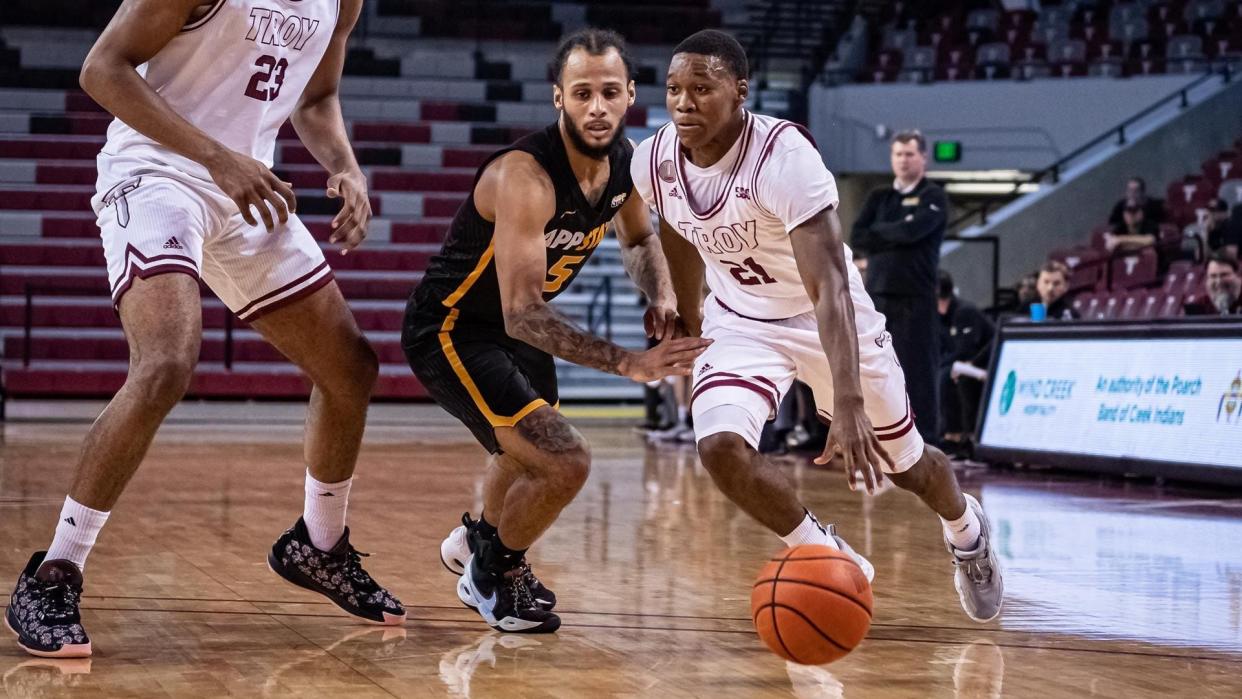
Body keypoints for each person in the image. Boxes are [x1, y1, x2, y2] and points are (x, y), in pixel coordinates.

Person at [6, 0, 406, 659]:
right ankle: (55, 570)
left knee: (351, 367)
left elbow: (317, 96)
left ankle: (319, 543)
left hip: (246, 187)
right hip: (155, 173)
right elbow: (101, 69)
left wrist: (346, 167)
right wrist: (219, 159)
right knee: (166, 362)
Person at [635, 29, 1003, 623]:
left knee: (907, 466)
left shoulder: (784, 158)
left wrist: (849, 398)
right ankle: (826, 555)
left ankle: (967, 530)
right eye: (674, 89)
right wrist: (688, 314)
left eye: (701, 88)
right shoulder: (652, 158)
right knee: (720, 448)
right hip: (742, 321)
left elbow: (830, 284)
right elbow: (677, 224)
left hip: (825, 317)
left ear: (740, 91)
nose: (683, 102)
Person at [401, 29, 710, 634]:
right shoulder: (526, 177)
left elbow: (642, 238)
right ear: (558, 99)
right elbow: (522, 311)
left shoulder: (625, 165)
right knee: (564, 460)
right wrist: (630, 364)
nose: (597, 106)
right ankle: (495, 575)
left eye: (609, 92)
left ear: (630, 97)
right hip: (456, 327)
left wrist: (662, 292)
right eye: (582, 93)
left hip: (517, 332)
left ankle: (477, 545)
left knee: (523, 457)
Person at [851, 131, 948, 444]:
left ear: (923, 158)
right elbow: (859, 237)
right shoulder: (880, 197)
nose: (903, 160)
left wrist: (885, 234)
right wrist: (900, 230)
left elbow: (915, 231)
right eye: (898, 155)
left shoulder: (934, 196)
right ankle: (883, 436)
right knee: (878, 369)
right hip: (878, 294)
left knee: (918, 369)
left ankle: (926, 440)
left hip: (915, 296)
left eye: (909, 154)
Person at [937, 271, 994, 451]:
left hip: (983, 363)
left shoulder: (965, 311)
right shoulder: (934, 315)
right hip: (961, 363)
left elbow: (966, 350)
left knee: (945, 375)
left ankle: (955, 434)